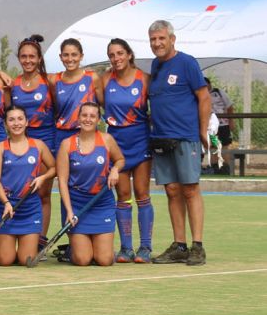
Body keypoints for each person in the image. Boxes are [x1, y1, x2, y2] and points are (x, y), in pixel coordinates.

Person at [148, 20, 211, 266]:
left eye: (161, 38)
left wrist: (202, 131)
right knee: (172, 191)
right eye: (153, 39)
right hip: (161, 138)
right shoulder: (155, 65)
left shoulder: (187, 62)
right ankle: (179, 245)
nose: (157, 43)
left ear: (172, 39)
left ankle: (198, 246)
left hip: (186, 137)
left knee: (190, 189)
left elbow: (204, 97)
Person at [103, 38, 154, 263]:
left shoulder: (145, 79)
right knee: (123, 195)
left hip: (141, 140)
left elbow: (160, 106)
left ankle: (145, 248)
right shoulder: (104, 80)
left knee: (142, 193)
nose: (117, 58)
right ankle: (126, 248)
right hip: (117, 144)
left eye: (120, 53)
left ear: (129, 54)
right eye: (112, 55)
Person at [56, 102, 125, 266]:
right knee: (82, 260)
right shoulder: (67, 144)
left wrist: (115, 169)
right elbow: (63, 182)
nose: (88, 119)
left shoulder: (107, 140)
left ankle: (98, 247)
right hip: (76, 204)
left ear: (98, 120)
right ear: (78, 118)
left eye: (92, 116)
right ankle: (72, 249)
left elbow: (121, 159)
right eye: (84, 115)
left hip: (101, 203)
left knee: (105, 260)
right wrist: (69, 211)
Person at [0, 105, 56, 266]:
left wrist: (43, 177)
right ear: (6, 124)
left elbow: (55, 168)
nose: (16, 123)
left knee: (26, 260)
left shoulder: (38, 145)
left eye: (20, 119)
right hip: (7, 209)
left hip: (30, 209)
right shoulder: (0, 148)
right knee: (5, 260)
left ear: (27, 122)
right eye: (11, 120)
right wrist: (5, 202)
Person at [10, 35, 56, 245]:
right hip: (21, 143)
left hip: (46, 140)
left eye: (32, 56)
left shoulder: (50, 82)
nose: (28, 60)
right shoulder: (14, 84)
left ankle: (40, 238)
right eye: (23, 56)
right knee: (21, 189)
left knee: (43, 192)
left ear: (39, 59)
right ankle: (22, 234)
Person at [53, 38, 103, 151]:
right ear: (60, 57)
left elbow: (103, 105)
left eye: (74, 55)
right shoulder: (55, 80)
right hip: (62, 134)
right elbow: (55, 108)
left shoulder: (92, 78)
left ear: (81, 56)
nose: (70, 59)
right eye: (66, 55)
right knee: (62, 168)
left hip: (87, 134)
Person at [206, 77, 235, 172]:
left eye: (206, 84)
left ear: (209, 84)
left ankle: (226, 169)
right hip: (211, 127)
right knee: (214, 146)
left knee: (225, 146)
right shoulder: (201, 95)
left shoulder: (219, 92)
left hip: (223, 126)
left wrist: (231, 121)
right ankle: (214, 169)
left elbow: (230, 107)